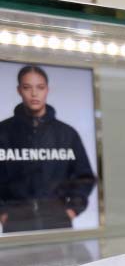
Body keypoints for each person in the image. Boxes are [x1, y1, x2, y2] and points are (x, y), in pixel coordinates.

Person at [0, 65, 96, 233]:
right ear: (19, 90)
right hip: (16, 223)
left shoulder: (66, 134)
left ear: (47, 90)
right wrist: (3, 213)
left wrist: (72, 210)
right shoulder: (3, 132)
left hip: (58, 222)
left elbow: (85, 176)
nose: (34, 94)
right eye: (27, 87)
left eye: (40, 87)